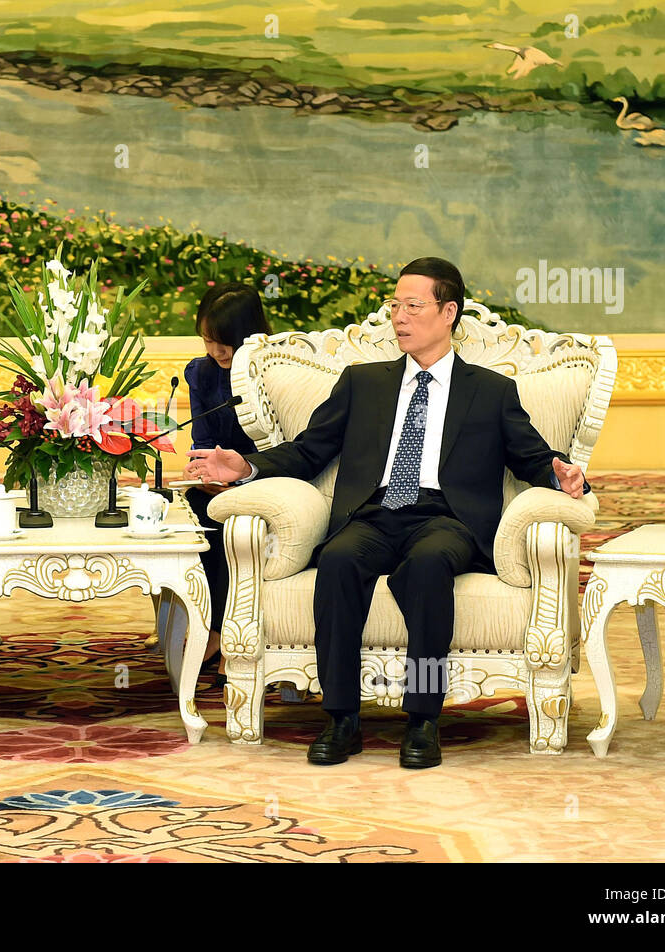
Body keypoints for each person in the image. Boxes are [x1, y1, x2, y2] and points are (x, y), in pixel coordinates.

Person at [185, 257, 590, 769]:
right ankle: (342, 719)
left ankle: (422, 719)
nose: (399, 316)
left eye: (413, 306)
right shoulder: (363, 382)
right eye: (395, 305)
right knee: (336, 562)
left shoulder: (489, 391)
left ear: (448, 312)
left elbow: (532, 457)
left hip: (447, 519)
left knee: (427, 566)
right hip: (373, 513)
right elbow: (309, 451)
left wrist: (562, 475)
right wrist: (246, 466)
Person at [182, 283, 269, 680]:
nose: (217, 351)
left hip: (265, 477)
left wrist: (243, 474)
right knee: (198, 515)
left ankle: (225, 632)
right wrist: (203, 470)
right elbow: (202, 441)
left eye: (225, 342)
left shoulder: (273, 368)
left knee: (228, 521)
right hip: (217, 483)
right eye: (208, 340)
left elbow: (288, 445)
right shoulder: (200, 373)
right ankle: (205, 626)